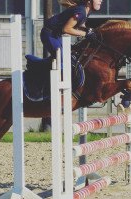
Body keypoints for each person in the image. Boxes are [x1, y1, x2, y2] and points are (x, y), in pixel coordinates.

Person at [40, 0, 103, 131]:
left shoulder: (85, 11)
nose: (101, 1)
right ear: (90, 1)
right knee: (63, 60)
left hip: (56, 35)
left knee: (71, 57)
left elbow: (79, 26)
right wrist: (86, 33)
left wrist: (89, 30)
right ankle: (48, 89)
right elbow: (67, 29)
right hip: (49, 34)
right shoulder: (80, 11)